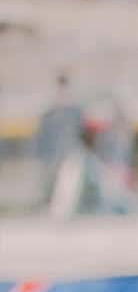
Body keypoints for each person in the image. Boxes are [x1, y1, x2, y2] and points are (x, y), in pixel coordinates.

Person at [34, 73, 85, 203]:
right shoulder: (51, 112)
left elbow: (80, 132)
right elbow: (44, 135)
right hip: (55, 154)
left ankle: (61, 209)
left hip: (69, 152)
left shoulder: (74, 109)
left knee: (67, 184)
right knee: (54, 183)